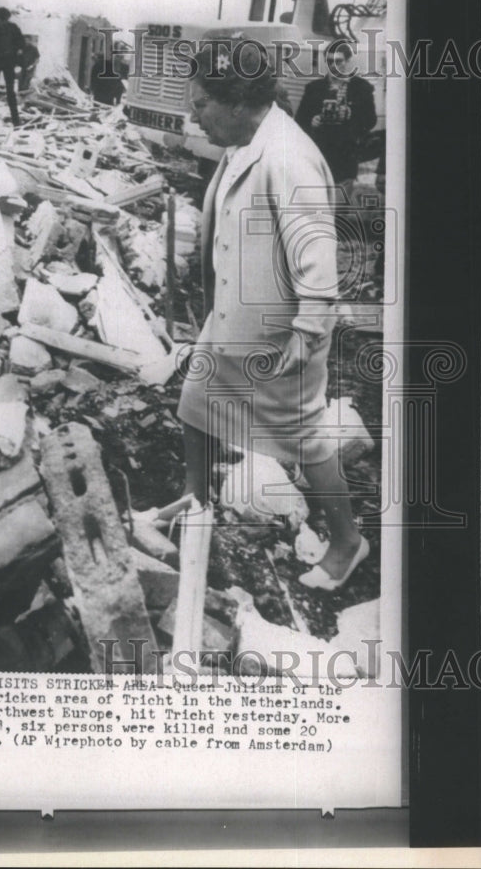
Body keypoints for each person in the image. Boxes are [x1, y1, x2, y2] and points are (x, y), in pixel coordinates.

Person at [175, 42, 368, 592]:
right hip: (234, 318)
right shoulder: (244, 141)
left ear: (237, 103)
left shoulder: (288, 155)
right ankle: (196, 497)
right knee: (195, 403)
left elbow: (317, 256)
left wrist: (307, 333)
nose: (195, 115)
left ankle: (348, 542)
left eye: (202, 104)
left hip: (281, 333)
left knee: (305, 439)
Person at [296, 42, 377, 187]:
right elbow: (299, 120)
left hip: (346, 156)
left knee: (340, 205)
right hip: (318, 154)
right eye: (329, 61)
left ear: (347, 61)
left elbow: (371, 120)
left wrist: (351, 114)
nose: (333, 65)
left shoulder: (361, 88)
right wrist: (311, 122)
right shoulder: (313, 88)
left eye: (338, 61)